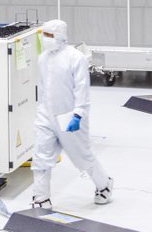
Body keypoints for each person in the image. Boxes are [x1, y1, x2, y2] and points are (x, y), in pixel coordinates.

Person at [31, 19, 113, 209]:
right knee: (41, 157)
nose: (46, 39)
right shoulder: (42, 58)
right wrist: (40, 113)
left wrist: (78, 114)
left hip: (69, 116)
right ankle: (40, 198)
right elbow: (42, 88)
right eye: (44, 35)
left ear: (60, 36)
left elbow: (82, 89)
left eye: (49, 35)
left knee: (81, 157)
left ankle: (104, 184)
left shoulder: (76, 57)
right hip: (46, 115)